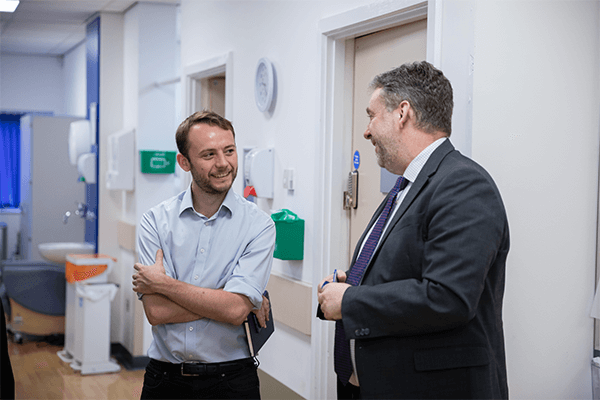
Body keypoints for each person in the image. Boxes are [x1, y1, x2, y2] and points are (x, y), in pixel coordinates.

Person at [317, 61, 509, 399]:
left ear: (402, 113)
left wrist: (351, 300)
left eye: (371, 115)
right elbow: (409, 270)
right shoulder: (407, 185)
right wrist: (355, 283)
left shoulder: (462, 184)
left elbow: (448, 296)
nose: (366, 131)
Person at [132, 110, 276, 399]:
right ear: (184, 162)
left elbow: (235, 311)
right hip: (165, 380)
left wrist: (164, 286)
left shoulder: (259, 226)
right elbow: (156, 312)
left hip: (232, 381)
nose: (223, 164)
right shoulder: (155, 222)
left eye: (229, 151)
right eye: (209, 154)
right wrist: (233, 300)